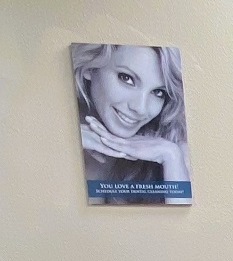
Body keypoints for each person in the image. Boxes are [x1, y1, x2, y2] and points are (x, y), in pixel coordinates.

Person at [71, 43, 190, 205]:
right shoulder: (50, 132)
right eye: (126, 78)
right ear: (91, 68)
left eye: (158, 92)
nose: (140, 108)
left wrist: (171, 157)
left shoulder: (176, 149)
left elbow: (188, 221)